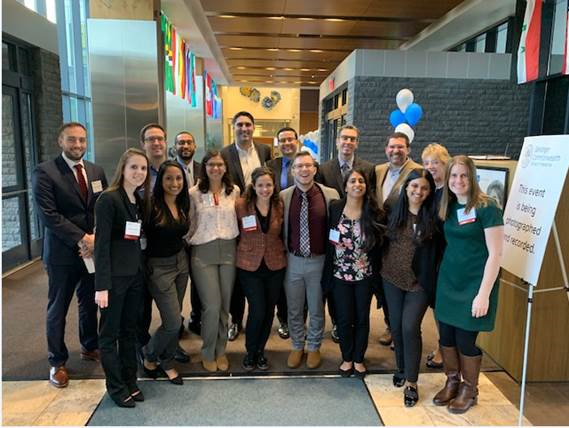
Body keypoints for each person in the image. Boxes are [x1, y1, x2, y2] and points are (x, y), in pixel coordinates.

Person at [32, 122, 108, 388]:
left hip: (91, 250)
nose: (78, 145)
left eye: (82, 140)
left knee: (89, 302)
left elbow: (102, 207)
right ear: (60, 141)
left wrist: (95, 237)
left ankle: (89, 346)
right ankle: (57, 361)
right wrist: (82, 238)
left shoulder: (96, 171)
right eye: (72, 140)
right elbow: (48, 215)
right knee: (58, 307)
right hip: (62, 254)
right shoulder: (45, 172)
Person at [433, 155, 504, 414]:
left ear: (472, 177)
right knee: (446, 336)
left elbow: (496, 254)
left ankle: (469, 388)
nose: (458, 180)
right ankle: (452, 381)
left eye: (464, 175)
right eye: (454, 175)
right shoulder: (449, 206)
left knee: (465, 340)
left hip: (475, 284)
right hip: (449, 281)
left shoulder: (487, 208)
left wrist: (483, 294)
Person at [94, 148, 151, 408]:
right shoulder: (108, 199)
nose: (139, 172)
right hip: (114, 281)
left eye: (143, 168)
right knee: (109, 336)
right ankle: (116, 387)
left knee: (129, 332)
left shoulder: (136, 199)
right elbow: (101, 245)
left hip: (134, 277)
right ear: (123, 169)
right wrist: (101, 286)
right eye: (134, 167)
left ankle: (130, 381)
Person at [381, 169, 441, 407]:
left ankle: (412, 382)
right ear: (406, 187)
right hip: (391, 278)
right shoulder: (392, 210)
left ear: (430, 191)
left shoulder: (435, 217)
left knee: (409, 327)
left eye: (424, 188)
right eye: (414, 186)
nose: (418, 191)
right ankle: (402, 368)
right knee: (396, 326)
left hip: (419, 283)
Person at [322, 168, 384, 379]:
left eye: (361, 181)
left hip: (364, 276)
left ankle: (358, 358)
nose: (357, 184)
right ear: (345, 187)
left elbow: (380, 246)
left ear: (366, 186)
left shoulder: (374, 212)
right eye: (353, 181)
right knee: (343, 318)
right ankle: (346, 358)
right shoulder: (335, 208)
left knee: (361, 318)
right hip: (339, 275)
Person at [316, 124, 376, 343]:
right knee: (337, 297)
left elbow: (372, 197)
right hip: (338, 239)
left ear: (357, 143)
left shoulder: (368, 168)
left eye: (352, 139)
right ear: (337, 141)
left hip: (361, 241)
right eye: (344, 138)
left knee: (360, 311)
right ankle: (337, 324)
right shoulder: (324, 169)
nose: (348, 142)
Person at [281, 151, 340, 369]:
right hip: (293, 261)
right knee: (294, 307)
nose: (304, 170)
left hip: (319, 261)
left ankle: (314, 346)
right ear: (293, 171)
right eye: (299, 166)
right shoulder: (284, 196)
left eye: (308, 165)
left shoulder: (330, 195)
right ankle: (297, 345)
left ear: (315, 169)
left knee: (316, 307)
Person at [221, 111, 272, 341]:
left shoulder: (264, 151)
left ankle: (260, 319)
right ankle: (235, 320)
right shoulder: (225, 154)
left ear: (253, 127)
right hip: (236, 217)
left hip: (262, 215)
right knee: (239, 275)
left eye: (248, 124)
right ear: (234, 127)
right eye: (240, 124)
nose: (244, 128)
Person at [188, 150, 240, 372]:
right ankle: (207, 351)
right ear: (205, 167)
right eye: (211, 164)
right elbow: (189, 222)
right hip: (203, 251)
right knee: (211, 305)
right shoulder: (194, 193)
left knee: (225, 306)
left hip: (228, 250)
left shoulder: (234, 191)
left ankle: (221, 350)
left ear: (225, 167)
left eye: (219, 164)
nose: (215, 168)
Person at [142, 161, 190, 385]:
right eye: (169, 178)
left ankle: (168, 361)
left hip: (181, 264)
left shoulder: (182, 202)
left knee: (176, 316)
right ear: (160, 180)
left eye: (178, 178)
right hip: (159, 268)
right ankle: (149, 354)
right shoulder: (150, 205)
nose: (174, 183)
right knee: (172, 322)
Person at [236, 167, 287, 371]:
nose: (265, 189)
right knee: (257, 310)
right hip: (249, 266)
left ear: (274, 186)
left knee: (269, 311)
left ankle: (260, 351)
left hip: (275, 265)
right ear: (253, 186)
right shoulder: (241, 205)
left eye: (268, 185)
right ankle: (250, 351)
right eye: (260, 185)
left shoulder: (279, 204)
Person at [374, 132, 422, 347]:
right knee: (385, 286)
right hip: (381, 238)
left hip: (405, 238)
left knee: (406, 285)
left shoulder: (417, 171)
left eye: (400, 147)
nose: (396, 151)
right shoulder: (378, 170)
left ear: (408, 149)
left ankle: (404, 331)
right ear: (386, 149)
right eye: (392, 147)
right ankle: (391, 327)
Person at [136, 123, 168, 363]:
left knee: (170, 304)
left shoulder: (171, 170)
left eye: (160, 139)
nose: (156, 143)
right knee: (142, 302)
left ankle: (169, 344)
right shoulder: (138, 172)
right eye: (151, 139)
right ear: (143, 144)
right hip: (140, 248)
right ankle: (142, 345)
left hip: (167, 247)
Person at [267, 126, 300, 340]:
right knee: (280, 278)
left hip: (300, 230)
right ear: (278, 144)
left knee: (298, 279)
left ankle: (298, 319)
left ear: (297, 141)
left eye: (290, 139)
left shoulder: (308, 164)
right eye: (283, 140)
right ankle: (284, 319)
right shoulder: (271, 166)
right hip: (276, 230)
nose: (287, 143)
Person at [421, 143, 451, 369]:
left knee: (444, 307)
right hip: (432, 256)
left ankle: (445, 349)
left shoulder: (451, 192)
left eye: (436, 162)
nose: (431, 166)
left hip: (447, 256)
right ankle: (443, 345)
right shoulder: (430, 190)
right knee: (437, 306)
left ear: (445, 163)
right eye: (427, 163)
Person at [174, 131, 203, 337]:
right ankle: (175, 321)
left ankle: (196, 317)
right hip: (175, 235)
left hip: (200, 234)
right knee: (178, 281)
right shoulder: (169, 169)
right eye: (181, 143)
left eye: (189, 142)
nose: (185, 146)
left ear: (194, 146)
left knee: (199, 281)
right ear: (174, 147)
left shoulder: (203, 169)